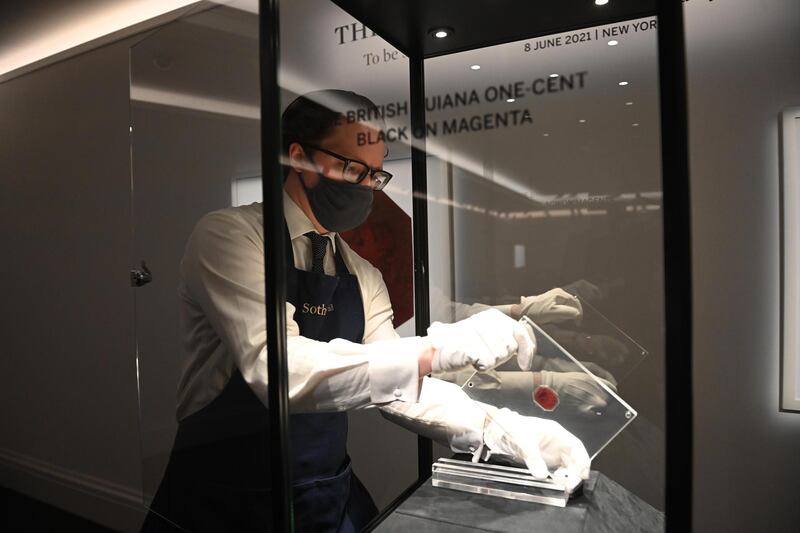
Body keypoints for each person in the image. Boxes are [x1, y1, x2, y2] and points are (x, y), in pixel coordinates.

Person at [141, 90, 592, 533]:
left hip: (323, 491)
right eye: (353, 168)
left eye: (375, 175)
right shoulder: (230, 237)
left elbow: (398, 390)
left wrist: (497, 428)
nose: (365, 187)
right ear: (300, 158)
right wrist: (435, 349)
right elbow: (278, 368)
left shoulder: (363, 274)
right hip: (223, 497)